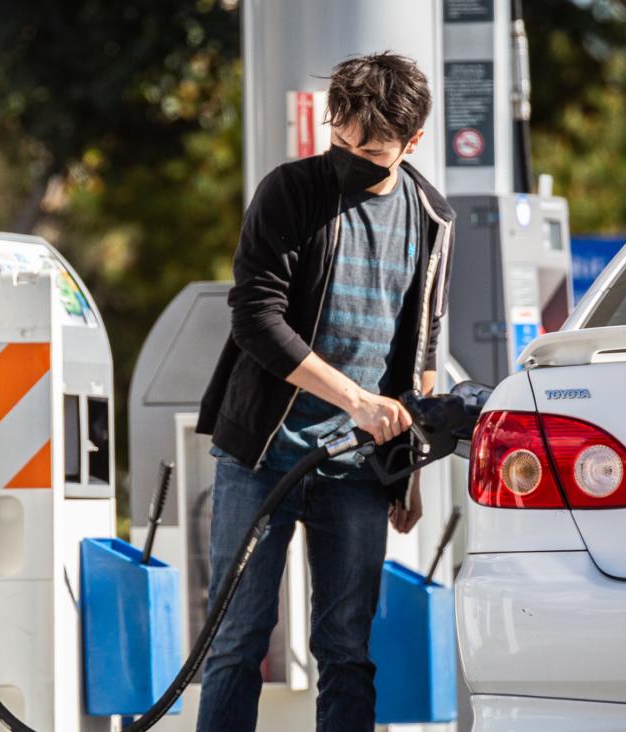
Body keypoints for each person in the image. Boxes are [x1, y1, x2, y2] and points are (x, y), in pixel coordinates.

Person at [194, 52, 455, 732]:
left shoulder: (431, 216)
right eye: (339, 141)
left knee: (347, 650)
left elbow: (421, 346)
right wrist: (356, 401)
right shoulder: (290, 192)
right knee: (236, 642)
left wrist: (409, 475)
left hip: (358, 469)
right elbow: (256, 317)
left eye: (369, 149)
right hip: (262, 455)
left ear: (412, 142)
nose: (349, 157)